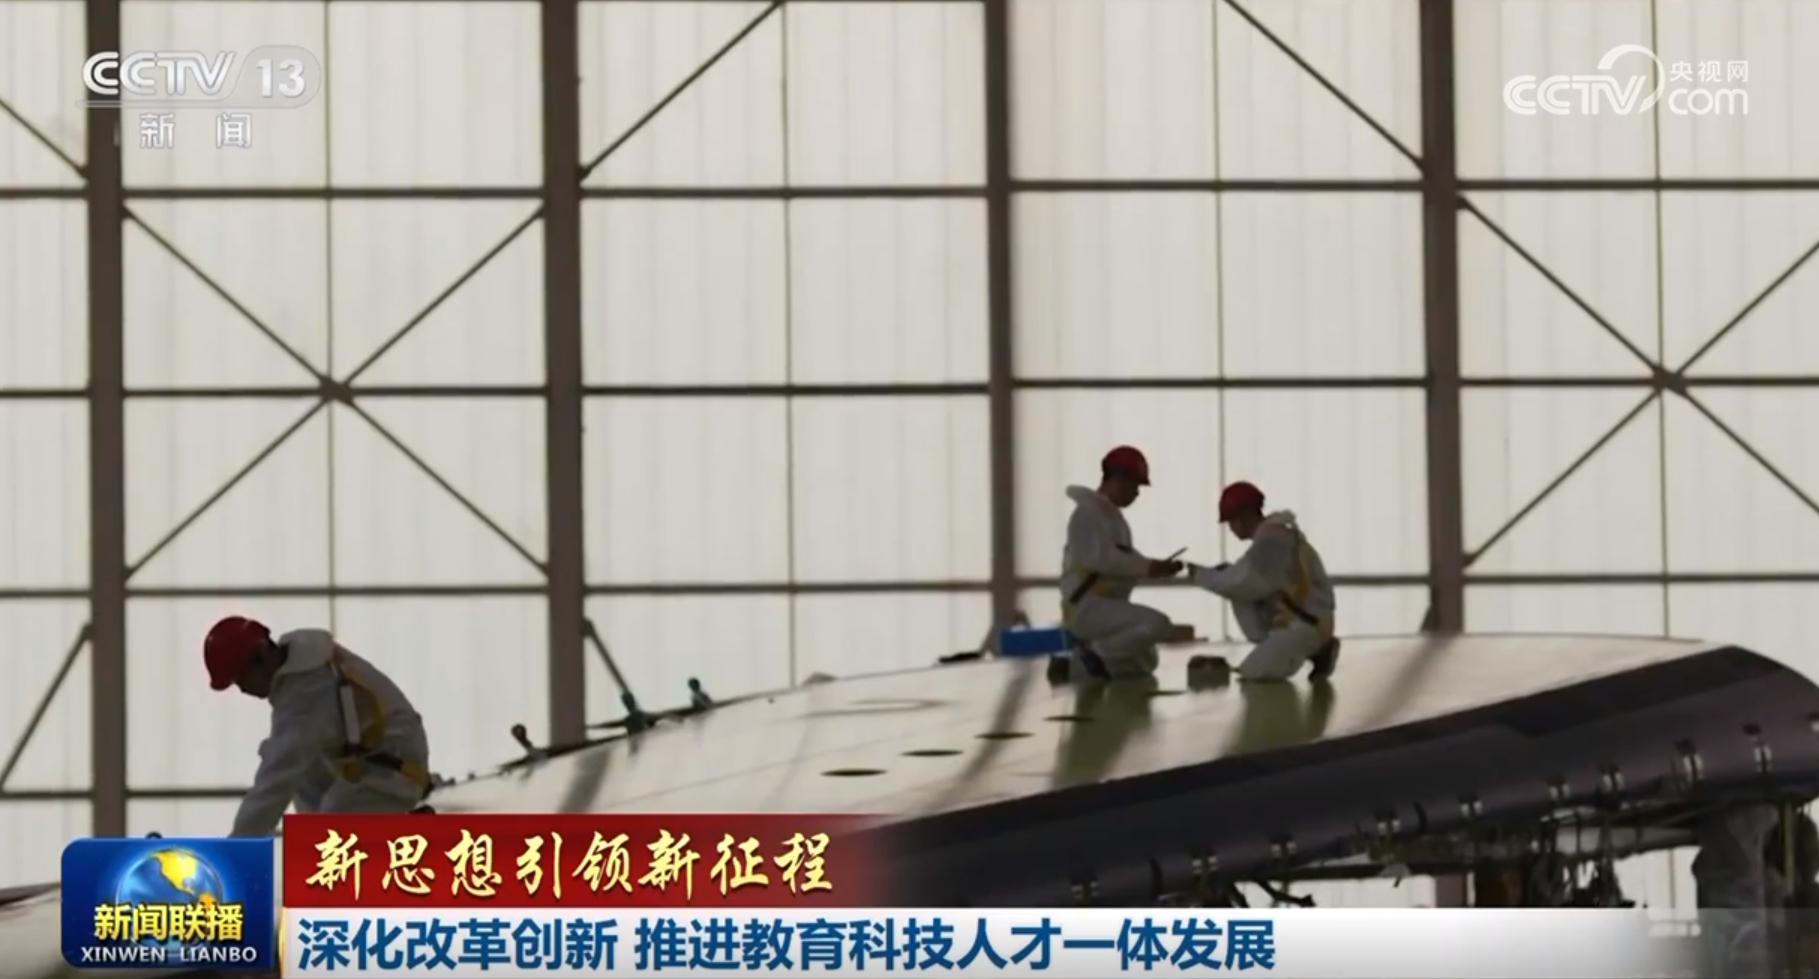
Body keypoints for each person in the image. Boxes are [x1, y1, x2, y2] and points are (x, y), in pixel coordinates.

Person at [204, 616, 433, 837]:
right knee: (297, 772)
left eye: (242, 678)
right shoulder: (306, 670)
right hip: (377, 761)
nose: (243, 689)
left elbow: (274, 784)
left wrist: (238, 847)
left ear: (262, 656)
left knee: (328, 831)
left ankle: (406, 833)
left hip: (392, 770)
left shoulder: (307, 691)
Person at [1185, 481, 1340, 682]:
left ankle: (1318, 648)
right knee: (1230, 577)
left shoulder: (1271, 541)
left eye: (1231, 521)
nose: (1230, 528)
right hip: (1305, 620)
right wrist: (1214, 574)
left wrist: (1199, 575)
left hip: (1304, 625)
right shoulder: (1277, 536)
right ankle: (1313, 649)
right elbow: (1243, 577)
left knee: (1253, 673)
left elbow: (1242, 583)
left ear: (1243, 516)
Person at [1057, 445, 1184, 681]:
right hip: (1088, 607)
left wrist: (1156, 568)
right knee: (1158, 625)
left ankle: (1090, 665)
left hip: (1107, 605)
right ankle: (1093, 653)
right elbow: (1104, 559)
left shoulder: (1110, 518)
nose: (1137, 493)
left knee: (1146, 661)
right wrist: (1149, 567)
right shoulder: (1087, 514)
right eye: (1135, 485)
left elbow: (1126, 558)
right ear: (1118, 479)